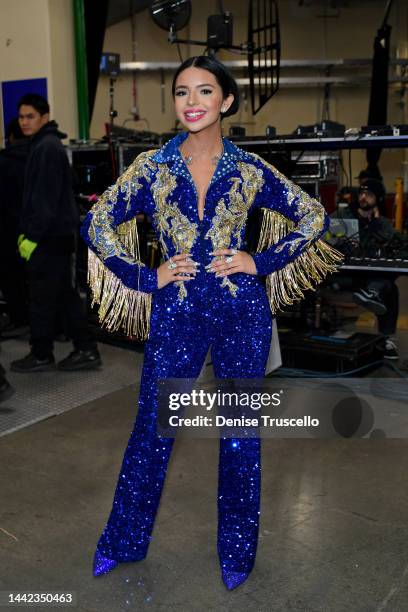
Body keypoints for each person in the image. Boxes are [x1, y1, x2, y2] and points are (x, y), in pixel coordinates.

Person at [81, 56, 342, 590]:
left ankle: (237, 554)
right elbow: (96, 221)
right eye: (181, 92)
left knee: (240, 434)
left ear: (225, 100)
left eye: (204, 91)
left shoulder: (250, 170)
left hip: (241, 313)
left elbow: (314, 216)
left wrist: (259, 261)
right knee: (153, 429)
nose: (192, 102)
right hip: (176, 313)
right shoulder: (152, 167)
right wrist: (143, 275)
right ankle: (124, 541)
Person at [10, 93, 101, 373]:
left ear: (44, 118)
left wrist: (32, 238)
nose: (24, 122)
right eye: (22, 117)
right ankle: (85, 349)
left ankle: (41, 354)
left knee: (41, 298)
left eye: (30, 117)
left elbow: (45, 201)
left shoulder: (46, 147)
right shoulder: (44, 144)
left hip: (48, 238)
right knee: (62, 295)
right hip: (55, 236)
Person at [0, 118, 30, 330]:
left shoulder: (4, 160)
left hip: (8, 228)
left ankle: (19, 318)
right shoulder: (40, 156)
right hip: (38, 229)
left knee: (10, 275)